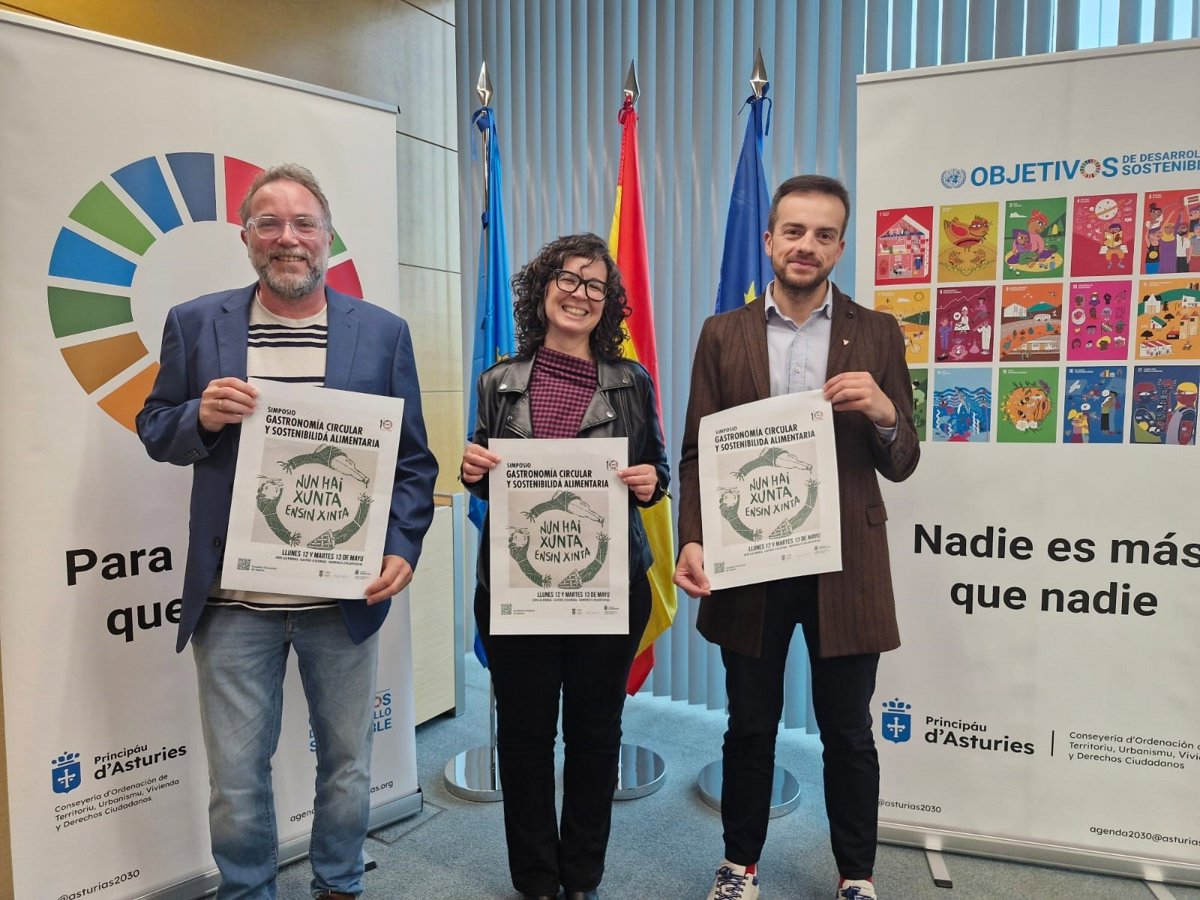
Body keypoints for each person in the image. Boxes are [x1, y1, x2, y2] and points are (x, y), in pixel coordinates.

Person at [136, 163, 438, 900]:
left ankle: (339, 886)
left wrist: (401, 547)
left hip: (343, 596)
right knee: (237, 782)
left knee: (348, 767)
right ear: (246, 239)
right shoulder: (195, 324)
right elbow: (155, 428)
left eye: (304, 223)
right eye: (268, 223)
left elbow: (412, 463)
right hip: (234, 603)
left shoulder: (383, 334)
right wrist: (200, 416)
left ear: (328, 238)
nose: (287, 237)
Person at [674, 175, 920, 900]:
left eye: (822, 234)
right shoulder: (723, 333)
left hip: (847, 564)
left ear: (840, 247)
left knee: (847, 730)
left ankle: (856, 877)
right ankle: (739, 866)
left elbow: (902, 461)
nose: (805, 245)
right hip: (750, 557)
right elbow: (696, 453)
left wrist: (883, 411)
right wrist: (693, 538)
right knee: (750, 724)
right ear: (769, 240)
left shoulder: (878, 333)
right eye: (793, 231)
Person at [459, 232, 669, 900]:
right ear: (543, 288)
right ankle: (535, 879)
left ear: (608, 302)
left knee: (594, 735)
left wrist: (650, 483)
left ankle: (581, 875)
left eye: (595, 285)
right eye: (569, 279)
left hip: (609, 585)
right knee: (523, 738)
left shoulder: (631, 382)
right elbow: (484, 473)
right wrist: (471, 470)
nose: (580, 294)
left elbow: (659, 470)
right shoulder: (497, 382)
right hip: (518, 586)